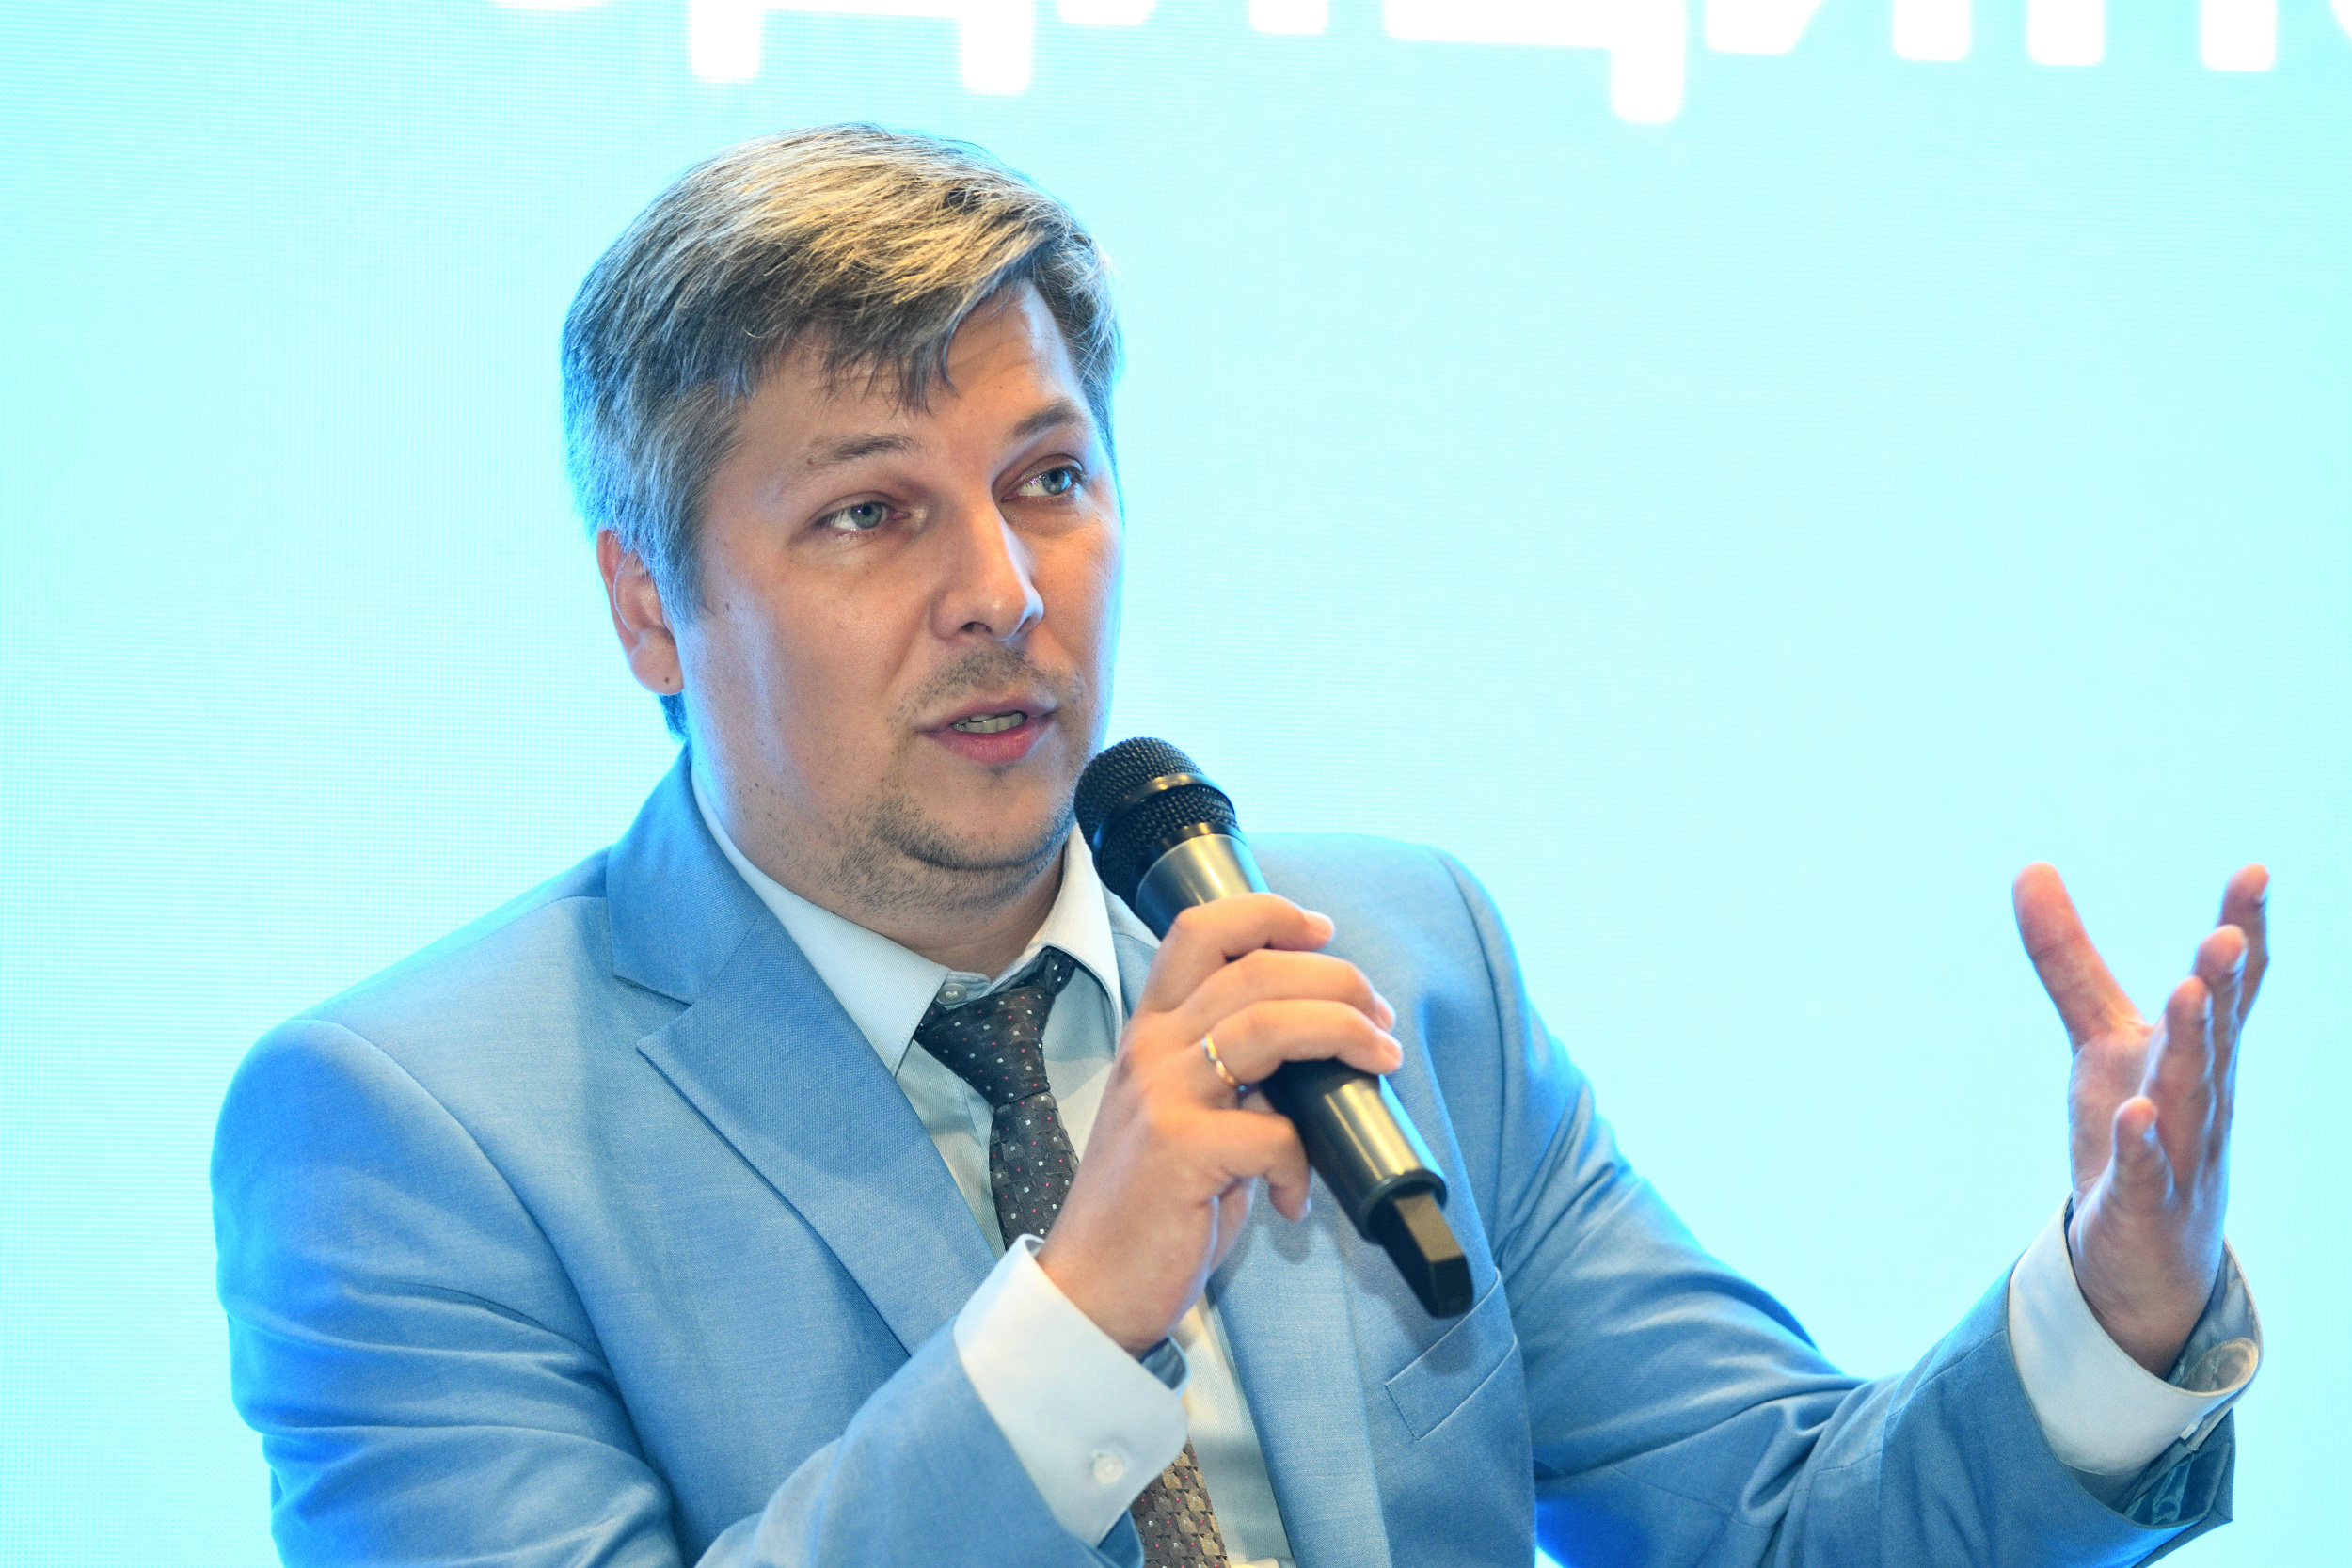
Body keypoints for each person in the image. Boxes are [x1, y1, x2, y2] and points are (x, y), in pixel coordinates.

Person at [213, 124, 2265, 1568]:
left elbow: (1781, 1525)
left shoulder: (1389, 961)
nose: (1004, 592)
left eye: (1048, 478)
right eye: (869, 512)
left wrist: (2109, 1315)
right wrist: (1073, 1319)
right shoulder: (412, 1134)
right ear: (648, 609)